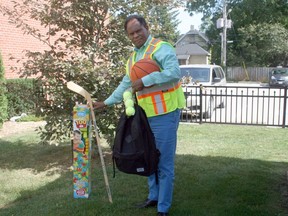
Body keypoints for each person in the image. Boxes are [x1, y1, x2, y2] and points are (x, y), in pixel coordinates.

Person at [93, 14, 185, 216]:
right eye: (131, 33)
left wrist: (146, 80)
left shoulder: (161, 48)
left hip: (165, 114)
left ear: (146, 27)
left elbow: (174, 72)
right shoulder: (133, 58)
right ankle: (153, 197)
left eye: (138, 30)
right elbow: (125, 85)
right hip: (144, 116)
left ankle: (163, 207)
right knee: (147, 157)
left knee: (164, 163)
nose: (136, 35)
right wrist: (105, 102)